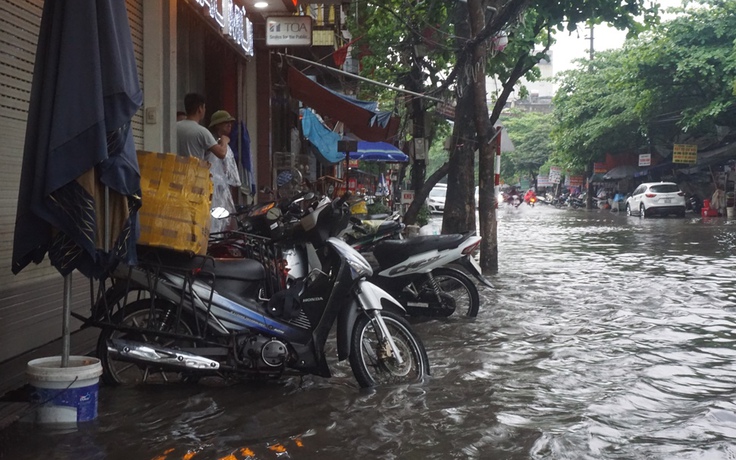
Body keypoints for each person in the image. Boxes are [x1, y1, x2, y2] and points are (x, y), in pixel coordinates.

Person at [207, 110, 242, 233]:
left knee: (222, 223)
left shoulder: (225, 144)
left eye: (230, 123)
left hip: (222, 191)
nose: (229, 125)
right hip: (212, 189)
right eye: (225, 123)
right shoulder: (214, 143)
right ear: (217, 125)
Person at [176, 93, 228, 160]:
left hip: (174, 168)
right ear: (200, 109)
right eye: (204, 107)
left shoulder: (175, 127)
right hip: (194, 169)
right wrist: (224, 140)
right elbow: (221, 153)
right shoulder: (201, 131)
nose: (205, 110)